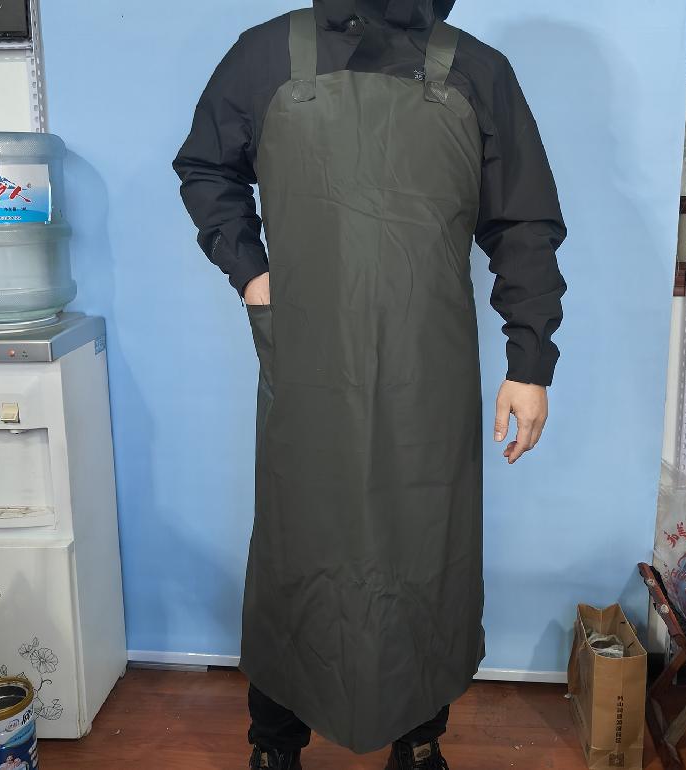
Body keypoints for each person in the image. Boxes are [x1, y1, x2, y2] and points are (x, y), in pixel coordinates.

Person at [173, 1, 567, 768]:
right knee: (296, 545)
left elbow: (523, 222)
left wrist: (529, 360)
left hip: (427, 367)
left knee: (426, 547)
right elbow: (206, 166)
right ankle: (274, 744)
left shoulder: (476, 72)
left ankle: (418, 741)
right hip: (307, 359)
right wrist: (250, 270)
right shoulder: (267, 57)